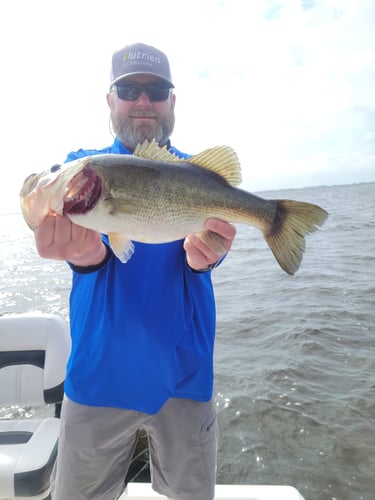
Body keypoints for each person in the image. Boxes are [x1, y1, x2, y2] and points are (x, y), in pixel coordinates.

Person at [33, 43, 236, 500]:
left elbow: (207, 246)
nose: (143, 101)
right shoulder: (83, 169)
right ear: (110, 100)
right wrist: (86, 256)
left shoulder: (196, 176)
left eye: (156, 90)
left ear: (172, 102)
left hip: (185, 376)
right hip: (97, 375)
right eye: (129, 89)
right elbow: (94, 251)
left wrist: (209, 253)